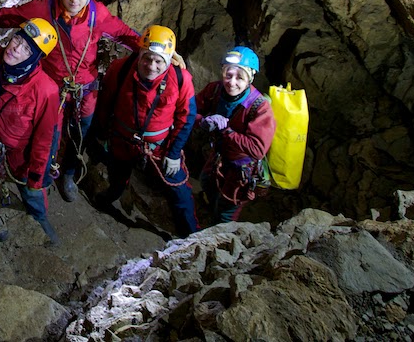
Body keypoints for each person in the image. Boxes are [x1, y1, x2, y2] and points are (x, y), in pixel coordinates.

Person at [0, 0, 141, 203]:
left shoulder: (98, 16)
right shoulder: (42, 9)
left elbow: (126, 36)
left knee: (79, 136)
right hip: (51, 92)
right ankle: (39, 177)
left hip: (84, 93)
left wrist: (160, 51)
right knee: (48, 137)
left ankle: (68, 174)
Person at [93, 25, 199, 235]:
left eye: (158, 61)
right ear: (139, 55)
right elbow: (105, 102)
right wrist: (101, 132)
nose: (151, 66)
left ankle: (191, 236)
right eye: (147, 58)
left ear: (168, 61)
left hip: (159, 148)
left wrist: (175, 153)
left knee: (180, 193)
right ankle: (105, 201)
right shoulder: (121, 69)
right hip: (122, 140)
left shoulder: (180, 80)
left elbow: (186, 117)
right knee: (117, 180)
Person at [0, 18, 63, 243]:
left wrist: (37, 178)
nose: (16, 48)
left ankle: (40, 217)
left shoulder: (45, 90)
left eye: (27, 48)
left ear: (35, 58)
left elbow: (45, 140)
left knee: (31, 191)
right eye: (18, 39)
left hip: (20, 155)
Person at [195, 46, 276, 224]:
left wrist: (226, 131)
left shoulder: (260, 107)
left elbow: (257, 149)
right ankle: (210, 213)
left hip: (240, 171)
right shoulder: (215, 90)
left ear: (250, 78)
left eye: (240, 77)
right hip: (218, 157)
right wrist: (204, 121)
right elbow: (189, 110)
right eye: (228, 75)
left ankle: (219, 242)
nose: (232, 82)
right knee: (207, 183)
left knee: (226, 211)